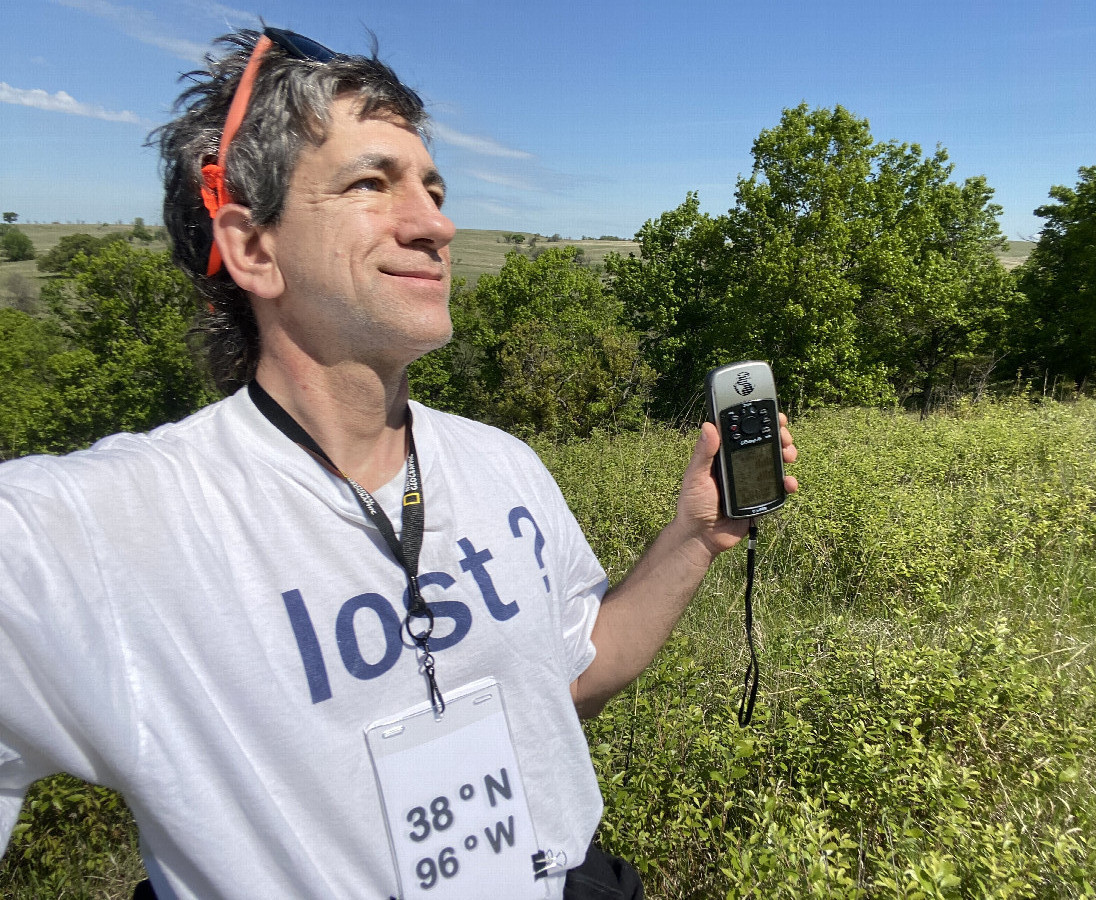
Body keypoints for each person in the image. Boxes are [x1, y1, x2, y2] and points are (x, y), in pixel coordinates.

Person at [0, 27, 797, 900]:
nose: (436, 224)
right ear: (253, 249)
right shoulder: (104, 532)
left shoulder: (503, 465)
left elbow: (569, 680)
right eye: (370, 183)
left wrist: (695, 536)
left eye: (433, 187)